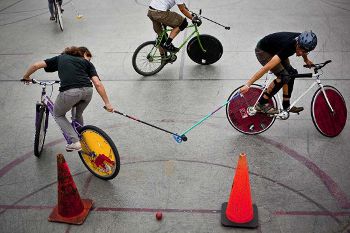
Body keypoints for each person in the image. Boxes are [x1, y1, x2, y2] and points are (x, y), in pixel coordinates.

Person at [22, 46, 115, 152]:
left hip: (70, 92)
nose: (88, 60)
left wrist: (26, 76)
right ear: (82, 53)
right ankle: (82, 137)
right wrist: (107, 103)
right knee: (78, 114)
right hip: (88, 92)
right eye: (87, 57)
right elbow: (97, 83)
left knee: (58, 114)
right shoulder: (88, 64)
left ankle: (76, 142)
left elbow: (36, 65)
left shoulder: (61, 58)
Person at [240, 31, 317, 114]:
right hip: (264, 51)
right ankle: (261, 104)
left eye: (305, 51)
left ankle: (286, 105)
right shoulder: (288, 46)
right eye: (300, 48)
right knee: (284, 76)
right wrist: (248, 84)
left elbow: (304, 49)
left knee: (292, 74)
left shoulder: (301, 41)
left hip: (277, 49)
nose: (301, 52)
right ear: (297, 42)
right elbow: (266, 68)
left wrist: (306, 60)